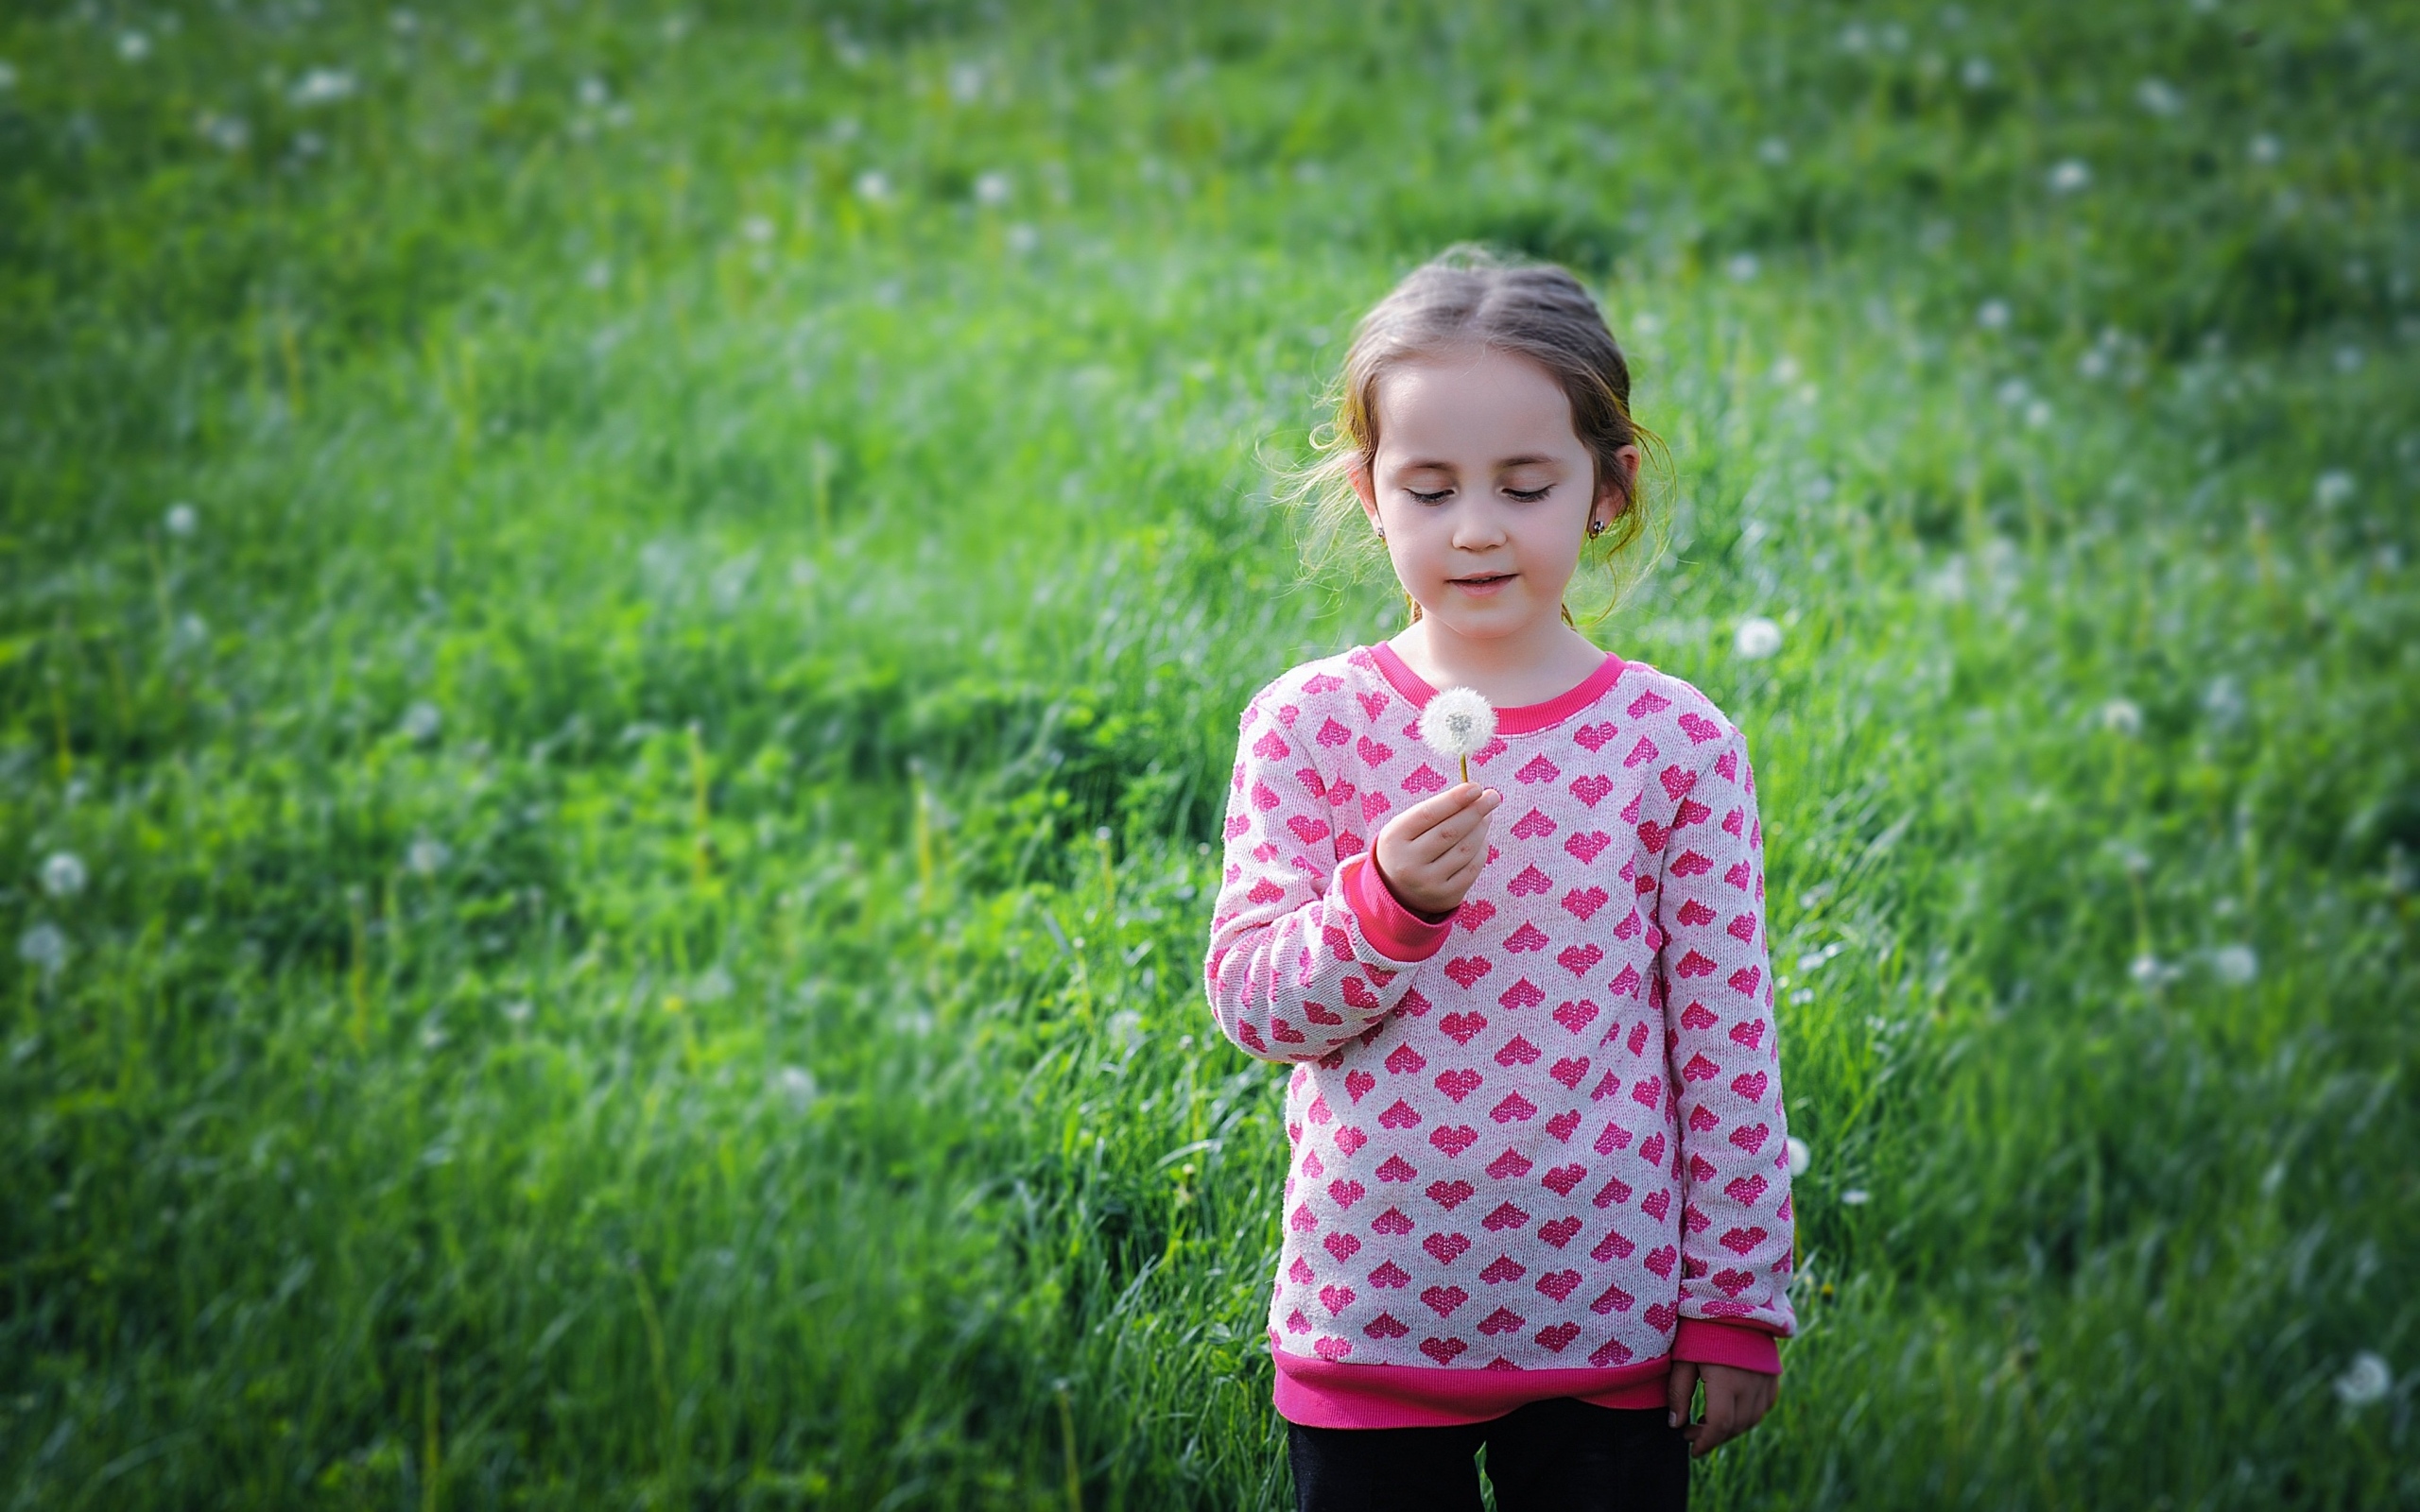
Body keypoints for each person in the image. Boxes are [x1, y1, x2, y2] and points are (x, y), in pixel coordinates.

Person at [1201, 247, 1795, 1512]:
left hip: (1609, 1322)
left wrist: (1738, 1307)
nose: (1476, 528)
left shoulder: (1676, 744)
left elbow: (1727, 1041)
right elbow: (1256, 1004)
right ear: (1370, 495)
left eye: (1525, 486)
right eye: (1430, 489)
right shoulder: (1311, 724)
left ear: (1607, 490)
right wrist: (1385, 907)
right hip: (1373, 1309)